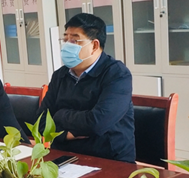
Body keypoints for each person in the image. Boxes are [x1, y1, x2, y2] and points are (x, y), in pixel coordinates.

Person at [36, 13, 135, 163]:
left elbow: (97, 123)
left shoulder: (117, 74)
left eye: (74, 40)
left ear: (94, 45)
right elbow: (41, 121)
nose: (67, 45)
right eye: (65, 39)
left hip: (108, 159)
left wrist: (60, 115)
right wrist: (66, 135)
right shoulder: (60, 75)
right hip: (64, 155)